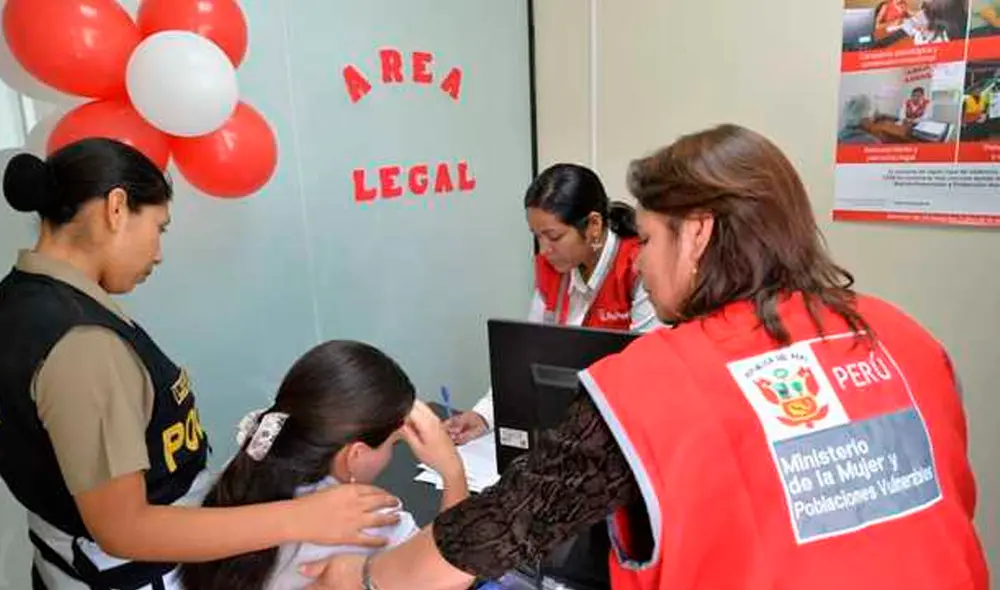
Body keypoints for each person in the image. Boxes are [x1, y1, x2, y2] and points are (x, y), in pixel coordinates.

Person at [301, 124, 990, 590]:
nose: (645, 262)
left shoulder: (651, 385)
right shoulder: (905, 336)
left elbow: (500, 528)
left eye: (653, 240)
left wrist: (361, 580)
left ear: (696, 236)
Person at [0, 139, 401, 589]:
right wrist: (302, 518)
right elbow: (125, 529)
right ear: (116, 208)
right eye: (159, 227)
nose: (158, 253)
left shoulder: (22, 299)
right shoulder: (82, 342)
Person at [180, 340, 468, 590]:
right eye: (393, 443)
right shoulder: (368, 520)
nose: (392, 452)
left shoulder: (246, 467)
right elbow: (450, 570)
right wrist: (452, 471)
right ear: (355, 455)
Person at [445, 163, 659, 444]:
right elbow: (527, 356)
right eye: (537, 237)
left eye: (554, 237)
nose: (544, 250)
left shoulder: (639, 268)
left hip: (622, 434)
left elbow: (644, 374)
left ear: (593, 225)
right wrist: (484, 415)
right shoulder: (554, 268)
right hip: (568, 428)